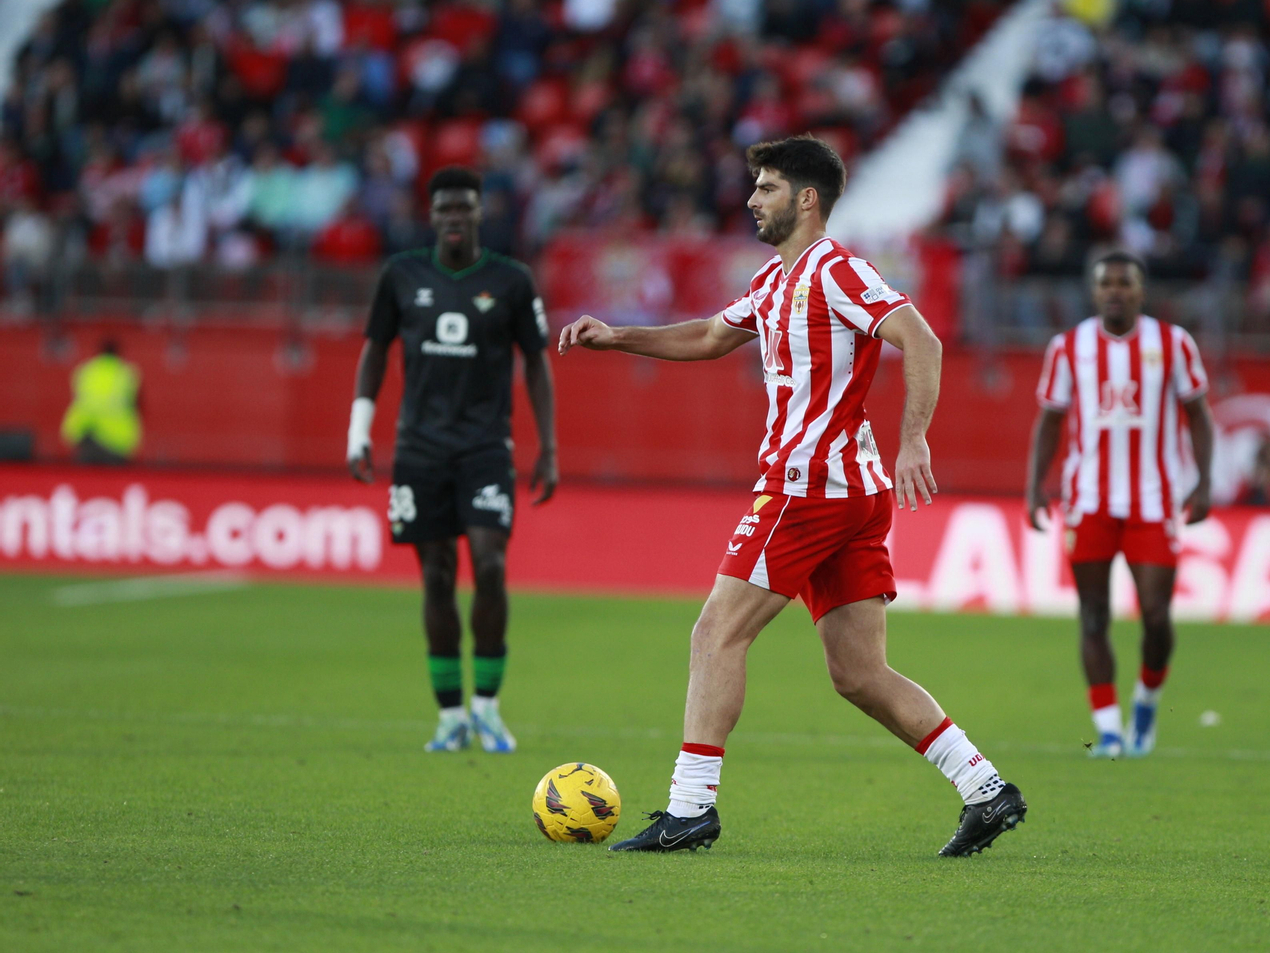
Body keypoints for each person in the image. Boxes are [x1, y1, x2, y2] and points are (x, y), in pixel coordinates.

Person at [559, 135, 1027, 857]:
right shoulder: (776, 281)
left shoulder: (836, 270)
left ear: (807, 200)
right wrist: (618, 335)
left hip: (808, 487)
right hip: (850, 493)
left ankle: (690, 809)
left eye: (768, 187)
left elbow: (922, 339)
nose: (752, 199)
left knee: (717, 631)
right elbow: (712, 336)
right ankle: (985, 788)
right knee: (860, 674)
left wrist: (915, 439)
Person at [346, 166, 557, 754]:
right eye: (445, 210)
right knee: (435, 574)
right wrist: (359, 430)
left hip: (487, 447)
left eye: (465, 209)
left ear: (479, 213)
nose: (455, 219)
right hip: (419, 449)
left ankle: (487, 708)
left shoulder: (512, 281)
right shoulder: (401, 275)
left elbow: (537, 362)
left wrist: (550, 446)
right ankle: (449, 716)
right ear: (432, 215)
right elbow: (374, 352)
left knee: (489, 565)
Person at [1024, 253, 1214, 758]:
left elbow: (1199, 416)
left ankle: (1147, 703)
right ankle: (1108, 730)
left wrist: (1205, 482)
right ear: (1094, 292)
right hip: (1087, 502)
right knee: (1093, 616)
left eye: (1124, 283)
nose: (1114, 291)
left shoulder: (1173, 345)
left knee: (1155, 614)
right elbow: (1050, 421)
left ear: (1140, 291)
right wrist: (1034, 485)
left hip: (1154, 501)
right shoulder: (1069, 348)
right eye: (1105, 283)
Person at [61, 339, 142, 464]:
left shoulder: (85, 371)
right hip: (117, 440)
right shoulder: (126, 374)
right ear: (118, 354)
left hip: (86, 435)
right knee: (113, 482)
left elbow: (77, 398)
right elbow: (138, 404)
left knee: (85, 480)